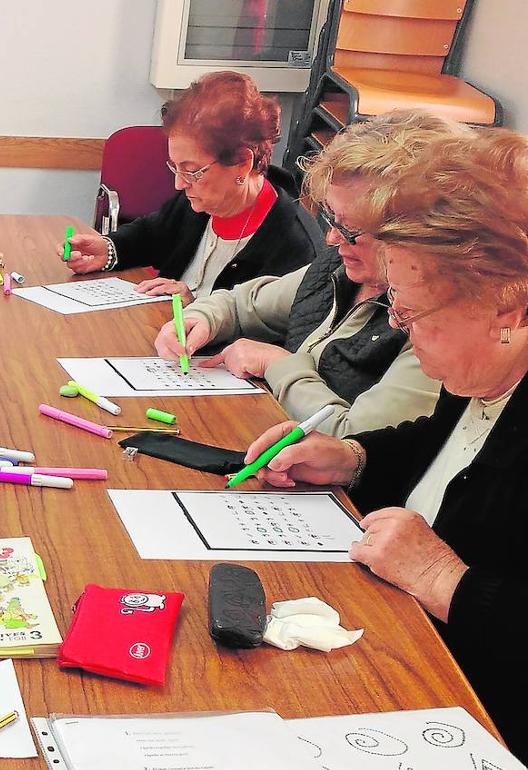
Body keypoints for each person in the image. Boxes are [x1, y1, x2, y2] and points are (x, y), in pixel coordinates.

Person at [242, 129, 528, 759]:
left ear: (511, 307)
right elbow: (447, 444)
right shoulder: (479, 370)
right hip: (396, 645)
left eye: (415, 310)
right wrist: (356, 456)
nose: (396, 323)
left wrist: (445, 579)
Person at [151, 111, 458, 436]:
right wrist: (202, 319)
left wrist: (277, 365)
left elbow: (354, 439)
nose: (331, 238)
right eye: (331, 218)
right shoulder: (339, 267)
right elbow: (242, 305)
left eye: (349, 229)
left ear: (411, 235)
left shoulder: (431, 324)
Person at [59, 71, 323, 303]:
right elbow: (151, 234)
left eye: (192, 170)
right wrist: (107, 250)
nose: (179, 183)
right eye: (175, 167)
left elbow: (276, 339)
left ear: (243, 162)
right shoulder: (199, 202)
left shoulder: (295, 246)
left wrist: (197, 307)